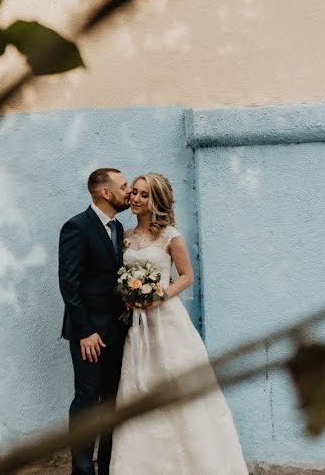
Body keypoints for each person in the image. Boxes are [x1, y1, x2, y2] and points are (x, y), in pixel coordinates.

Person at [110, 173, 248, 474]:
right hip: (137, 322)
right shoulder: (125, 236)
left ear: (156, 201)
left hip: (168, 322)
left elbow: (186, 276)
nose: (135, 198)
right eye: (134, 192)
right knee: (138, 385)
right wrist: (128, 296)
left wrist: (159, 295)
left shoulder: (171, 236)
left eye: (144, 195)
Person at [58, 168, 132, 475]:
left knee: (113, 400)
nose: (128, 191)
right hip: (89, 335)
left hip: (117, 331)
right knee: (87, 399)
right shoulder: (76, 227)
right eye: (124, 185)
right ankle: (83, 468)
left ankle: (107, 466)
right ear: (105, 192)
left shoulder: (118, 229)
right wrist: (86, 331)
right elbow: (69, 284)